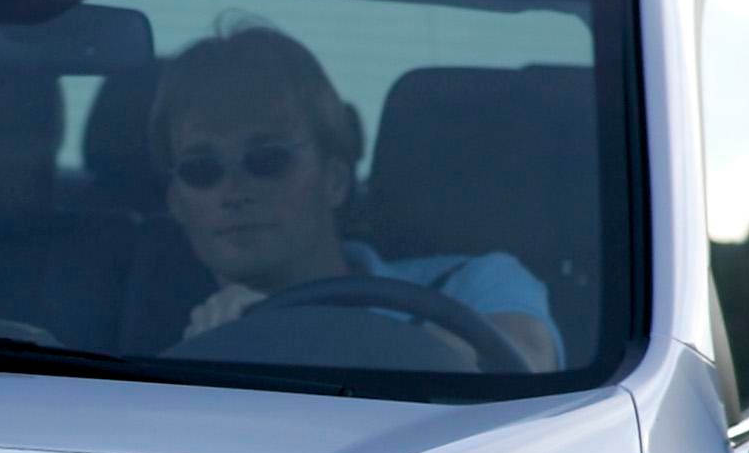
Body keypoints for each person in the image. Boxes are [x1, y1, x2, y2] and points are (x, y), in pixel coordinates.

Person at [152, 22, 558, 365]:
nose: (233, 190)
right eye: (201, 170)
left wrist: (280, 336)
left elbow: (524, 361)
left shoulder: (469, 282)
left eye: (266, 160)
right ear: (176, 202)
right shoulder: (126, 335)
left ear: (335, 181)